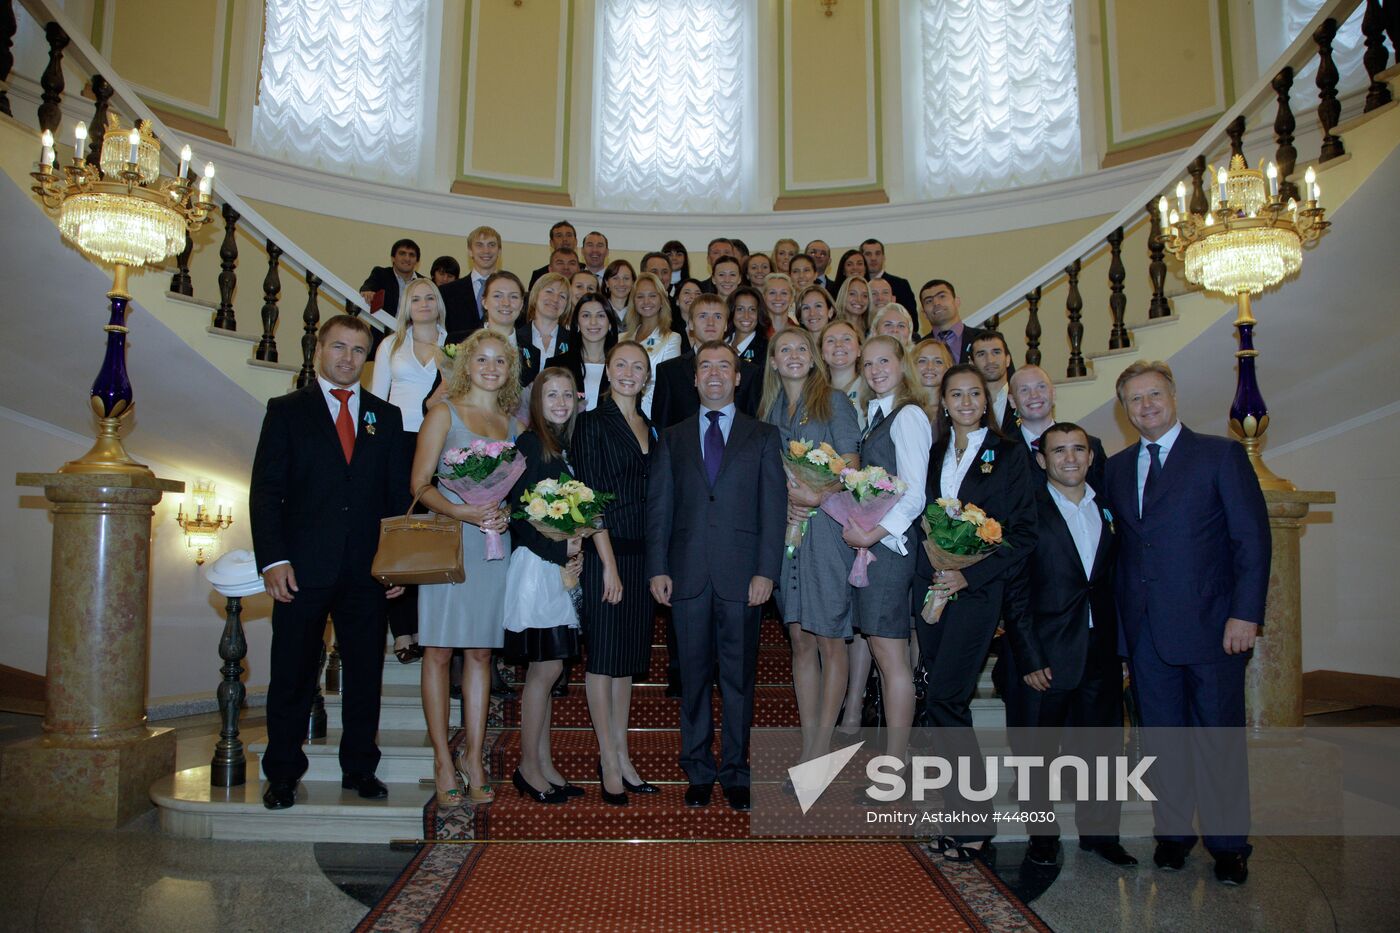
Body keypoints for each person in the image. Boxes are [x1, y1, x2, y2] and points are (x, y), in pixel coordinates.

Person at [1105, 360, 1269, 886]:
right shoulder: (1114, 467)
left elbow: (1251, 541)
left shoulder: (1220, 456)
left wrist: (1245, 614)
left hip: (1214, 628)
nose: (1146, 405)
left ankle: (1227, 845)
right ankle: (1172, 836)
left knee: (1217, 739)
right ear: (1123, 409)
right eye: (1134, 399)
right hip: (1147, 632)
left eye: (1154, 394)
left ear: (1173, 396)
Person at [250, 314, 411, 811]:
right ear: (320, 349)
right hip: (301, 569)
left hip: (366, 572)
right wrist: (273, 559)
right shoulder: (286, 410)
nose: (347, 358)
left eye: (357, 350)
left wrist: (395, 565)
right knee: (293, 674)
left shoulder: (385, 418)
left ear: (367, 359)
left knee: (365, 675)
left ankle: (360, 768)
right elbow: (267, 491)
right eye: (338, 347)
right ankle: (282, 772)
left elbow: (394, 500)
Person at [647, 341, 785, 812]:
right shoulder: (673, 437)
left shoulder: (763, 436)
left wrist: (767, 571)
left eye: (723, 366)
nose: (713, 374)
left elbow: (774, 509)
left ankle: (737, 771)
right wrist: (658, 567)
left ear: (737, 377)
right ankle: (699, 769)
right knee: (693, 679)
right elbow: (660, 509)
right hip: (685, 577)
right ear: (694, 377)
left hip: (743, 578)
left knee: (739, 681)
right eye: (704, 366)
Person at [914, 363, 1037, 862]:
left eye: (974, 394)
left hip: (977, 593)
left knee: (946, 698)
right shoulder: (935, 451)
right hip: (933, 589)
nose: (965, 402)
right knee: (944, 703)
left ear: (986, 401)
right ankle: (959, 813)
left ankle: (974, 820)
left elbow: (1024, 533)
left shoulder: (1007, 454)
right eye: (955, 394)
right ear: (943, 402)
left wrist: (971, 574)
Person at [1002, 422, 1137, 869]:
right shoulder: (1027, 513)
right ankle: (1042, 837)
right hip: (1045, 655)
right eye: (1058, 451)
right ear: (1042, 460)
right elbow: (1015, 591)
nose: (1070, 458)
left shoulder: (1109, 510)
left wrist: (1122, 652)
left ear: (1091, 456)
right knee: (1036, 756)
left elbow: (1115, 584)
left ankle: (1101, 835)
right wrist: (1028, 656)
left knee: (1101, 753)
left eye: (1078, 449)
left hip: (1100, 652)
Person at [413, 329, 522, 808]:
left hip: (493, 547)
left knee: (480, 655)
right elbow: (420, 485)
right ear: (467, 364)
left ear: (509, 370)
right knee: (437, 652)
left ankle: (474, 757)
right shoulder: (444, 413)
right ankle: (442, 757)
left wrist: (501, 514)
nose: (491, 368)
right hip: (450, 542)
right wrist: (464, 512)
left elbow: (513, 489)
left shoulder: (512, 423)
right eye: (483, 359)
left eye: (500, 361)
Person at [760, 328, 862, 765]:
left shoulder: (833, 401)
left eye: (802, 347)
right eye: (786, 350)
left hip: (826, 530)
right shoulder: (769, 410)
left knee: (829, 640)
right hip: (788, 531)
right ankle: (808, 745)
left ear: (814, 357)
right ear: (774, 361)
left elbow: (852, 468)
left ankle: (821, 752)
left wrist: (815, 496)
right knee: (800, 639)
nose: (795, 355)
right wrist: (785, 504)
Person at [572, 341, 659, 806]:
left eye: (638, 367)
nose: (629, 372)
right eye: (621, 364)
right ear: (606, 371)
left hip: (643, 557)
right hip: (607, 555)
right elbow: (589, 497)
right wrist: (606, 564)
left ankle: (624, 756)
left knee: (626, 664)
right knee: (604, 660)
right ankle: (607, 758)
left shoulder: (650, 427)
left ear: (647, 376)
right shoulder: (590, 423)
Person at [502, 369, 587, 804]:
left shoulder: (564, 445)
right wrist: (562, 551)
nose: (558, 401)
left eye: (565, 394)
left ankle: (545, 763)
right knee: (544, 670)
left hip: (557, 569)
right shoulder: (530, 443)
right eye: (550, 394)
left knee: (550, 671)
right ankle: (526, 767)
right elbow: (519, 513)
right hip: (537, 568)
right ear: (536, 401)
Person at [846, 335, 930, 769]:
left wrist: (871, 534)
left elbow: (914, 496)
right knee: (883, 655)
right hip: (877, 548)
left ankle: (894, 767)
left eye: (884, 361)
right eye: (868, 363)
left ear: (903, 365)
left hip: (891, 549)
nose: (875, 369)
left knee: (892, 658)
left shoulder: (909, 415)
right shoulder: (875, 415)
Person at [370, 279, 451, 664]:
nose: (423, 303)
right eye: (415, 298)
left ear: (439, 304)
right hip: (395, 444)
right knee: (401, 531)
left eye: (429, 297)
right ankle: (402, 630)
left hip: (439, 442)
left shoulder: (453, 345)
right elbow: (375, 401)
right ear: (406, 305)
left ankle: (426, 623)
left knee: (430, 532)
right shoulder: (391, 344)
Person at [652, 293, 761, 428]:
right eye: (703, 316)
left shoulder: (749, 372)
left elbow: (754, 427)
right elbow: (661, 428)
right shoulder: (669, 371)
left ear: (726, 324)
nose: (711, 322)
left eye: (718, 316)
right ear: (691, 324)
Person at [1009, 364, 1107, 490]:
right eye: (1024, 390)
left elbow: (1103, 497)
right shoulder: (1002, 451)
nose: (1034, 395)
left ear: (1053, 394)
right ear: (1012, 401)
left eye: (1041, 387)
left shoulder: (1091, 445)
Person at [621, 272, 682, 416]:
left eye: (652, 296)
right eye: (640, 296)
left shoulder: (672, 339)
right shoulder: (621, 339)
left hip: (653, 413)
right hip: (621, 412)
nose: (646, 301)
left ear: (662, 300)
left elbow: (669, 385)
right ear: (633, 302)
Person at [548, 294, 617, 412]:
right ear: (577, 324)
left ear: (610, 323)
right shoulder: (557, 365)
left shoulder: (621, 366)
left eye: (600, 315)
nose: (593, 322)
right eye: (586, 316)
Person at [440, 226, 504, 341]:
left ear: (499, 250)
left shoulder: (510, 291)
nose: (486, 251)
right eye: (479, 245)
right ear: (470, 251)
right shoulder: (447, 292)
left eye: (491, 245)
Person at [516, 272, 571, 386]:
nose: (555, 299)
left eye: (562, 296)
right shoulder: (516, 338)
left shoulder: (574, 341)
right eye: (549, 291)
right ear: (535, 296)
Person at [919, 279, 988, 363]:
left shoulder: (984, 338)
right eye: (929, 301)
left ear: (957, 302)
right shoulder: (918, 348)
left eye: (942, 296)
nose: (936, 303)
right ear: (924, 313)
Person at [969, 331, 1018, 435]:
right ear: (972, 364)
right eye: (981, 354)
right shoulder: (966, 405)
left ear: (1008, 359)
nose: (990, 360)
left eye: (996, 352)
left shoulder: (1022, 399)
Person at [359, 237, 422, 318]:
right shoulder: (381, 274)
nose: (407, 258)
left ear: (417, 261)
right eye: (402, 253)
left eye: (411, 255)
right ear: (393, 258)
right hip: (383, 329)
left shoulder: (424, 282)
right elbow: (368, 287)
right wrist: (367, 292)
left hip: (413, 330)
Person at [861, 238, 917, 326]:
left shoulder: (900, 285)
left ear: (883, 257)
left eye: (878, 253)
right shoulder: (859, 286)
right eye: (868, 254)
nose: (873, 258)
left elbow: (913, 322)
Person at [819, 319, 864, 425]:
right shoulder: (813, 395)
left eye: (847, 339)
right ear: (821, 353)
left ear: (859, 350)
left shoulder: (871, 391)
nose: (838, 344)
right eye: (830, 340)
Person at [912, 337, 954, 429]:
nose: (930, 367)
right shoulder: (900, 407)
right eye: (922, 361)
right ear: (911, 366)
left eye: (938, 362)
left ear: (948, 368)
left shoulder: (956, 408)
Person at [529, 220, 578, 287]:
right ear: (551, 243)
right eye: (559, 236)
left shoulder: (584, 270)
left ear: (576, 242)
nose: (564, 239)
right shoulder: (539, 275)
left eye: (569, 235)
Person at [729, 286, 768, 365]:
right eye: (740, 309)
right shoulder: (720, 342)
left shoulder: (767, 350)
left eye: (752, 310)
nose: (746, 316)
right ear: (732, 312)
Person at [602, 258, 636, 326]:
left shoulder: (639, 310)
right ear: (607, 283)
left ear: (633, 282)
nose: (621, 283)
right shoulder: (599, 308)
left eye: (626, 278)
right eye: (615, 278)